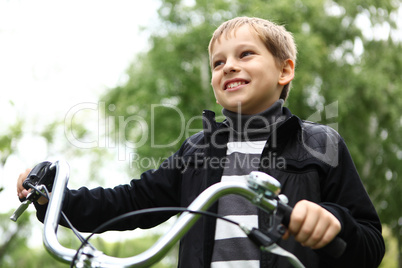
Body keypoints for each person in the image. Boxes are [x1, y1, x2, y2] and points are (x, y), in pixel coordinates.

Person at [17, 17, 385, 267]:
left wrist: (335, 222)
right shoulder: (196, 151)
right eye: (217, 62)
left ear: (284, 70)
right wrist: (54, 195)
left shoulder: (320, 143)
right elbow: (128, 203)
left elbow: (370, 245)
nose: (228, 66)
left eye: (245, 54)